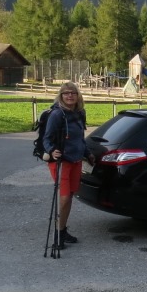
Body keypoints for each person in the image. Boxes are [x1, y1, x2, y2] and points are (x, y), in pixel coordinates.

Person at [43, 81, 92, 250]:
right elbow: (47, 139)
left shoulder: (80, 113)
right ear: (61, 95)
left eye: (73, 92)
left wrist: (88, 154)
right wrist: (52, 150)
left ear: (78, 95)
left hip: (76, 160)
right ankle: (58, 235)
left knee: (70, 196)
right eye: (66, 93)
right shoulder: (57, 114)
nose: (70, 95)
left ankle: (62, 230)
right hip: (61, 161)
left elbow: (80, 139)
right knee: (64, 198)